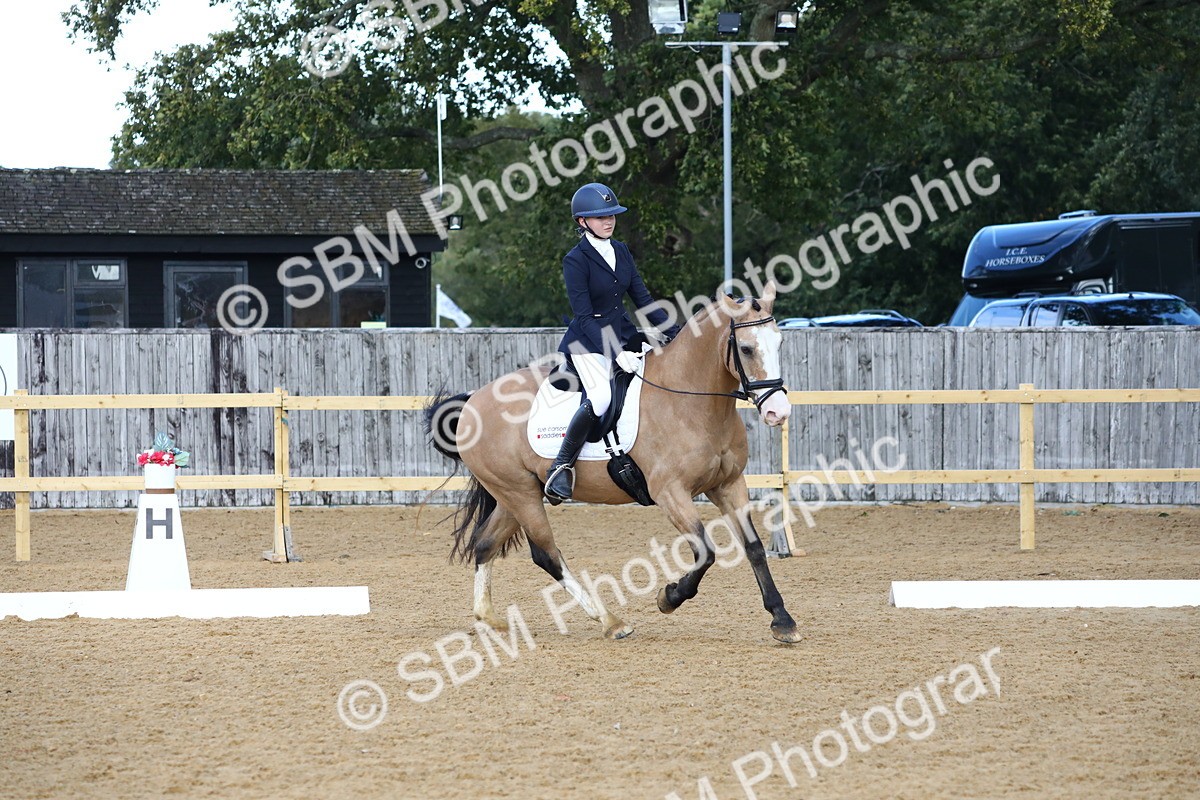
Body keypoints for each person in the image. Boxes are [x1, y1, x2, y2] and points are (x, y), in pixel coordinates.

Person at [543, 182, 679, 504]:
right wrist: (615, 355)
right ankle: (561, 464)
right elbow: (585, 316)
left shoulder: (621, 250)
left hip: (625, 334)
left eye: (612, 216)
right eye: (601, 217)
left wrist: (677, 334)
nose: (609, 221)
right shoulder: (575, 260)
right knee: (602, 397)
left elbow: (643, 300)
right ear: (582, 222)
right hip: (588, 343)